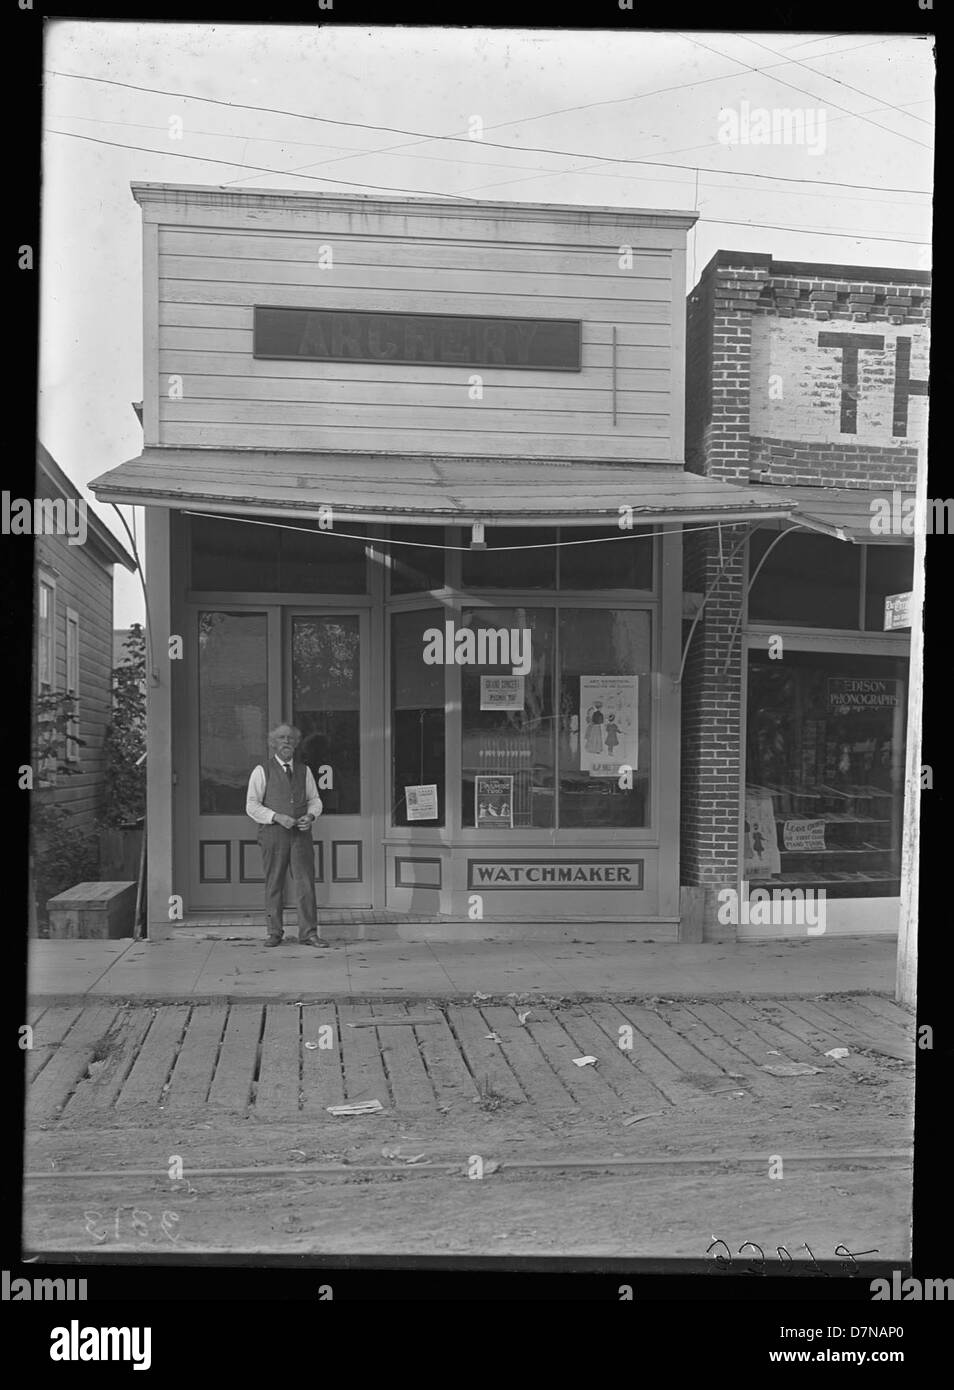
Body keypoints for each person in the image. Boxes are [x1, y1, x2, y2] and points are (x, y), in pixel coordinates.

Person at [246, 724, 327, 949]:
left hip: (300, 837)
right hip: (273, 835)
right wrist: (276, 817)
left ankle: (309, 933)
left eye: (290, 738)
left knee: (306, 885)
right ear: (273, 743)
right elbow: (251, 805)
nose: (286, 741)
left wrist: (310, 816)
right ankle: (274, 932)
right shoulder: (262, 770)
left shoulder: (304, 771)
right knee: (274, 884)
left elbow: (315, 799)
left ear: (296, 742)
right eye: (281, 738)